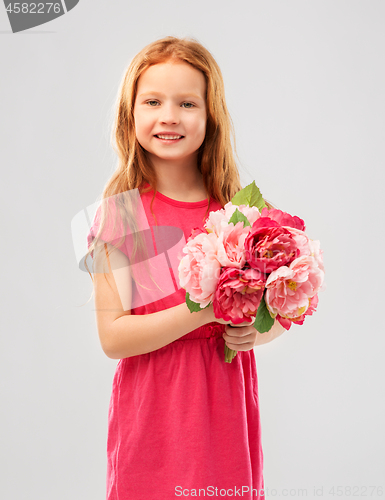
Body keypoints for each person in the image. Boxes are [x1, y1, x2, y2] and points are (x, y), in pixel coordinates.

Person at [84, 35, 286, 500]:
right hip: (152, 419)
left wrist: (256, 332)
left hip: (223, 416)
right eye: (152, 101)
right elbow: (113, 338)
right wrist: (208, 310)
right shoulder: (118, 214)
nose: (169, 116)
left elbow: (276, 309)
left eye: (187, 103)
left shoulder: (240, 213)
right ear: (130, 114)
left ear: (210, 116)